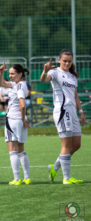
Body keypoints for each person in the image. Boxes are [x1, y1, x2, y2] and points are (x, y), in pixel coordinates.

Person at [41, 49, 86, 185]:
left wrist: (81, 111)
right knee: (66, 145)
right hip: (62, 110)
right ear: (59, 60)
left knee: (76, 144)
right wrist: (44, 71)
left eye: (69, 61)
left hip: (73, 112)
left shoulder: (72, 76)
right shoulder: (54, 72)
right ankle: (66, 178)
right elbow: (44, 80)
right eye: (64, 61)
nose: (67, 63)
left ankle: (54, 168)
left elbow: (75, 96)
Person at [0, 62, 31, 185]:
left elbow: (23, 106)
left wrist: (22, 119)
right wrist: (1, 73)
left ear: (20, 74)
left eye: (13, 74)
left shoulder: (19, 86)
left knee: (12, 150)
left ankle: (17, 179)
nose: (10, 76)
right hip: (20, 120)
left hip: (13, 119)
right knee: (21, 150)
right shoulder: (19, 84)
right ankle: (27, 177)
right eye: (9, 74)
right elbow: (1, 83)